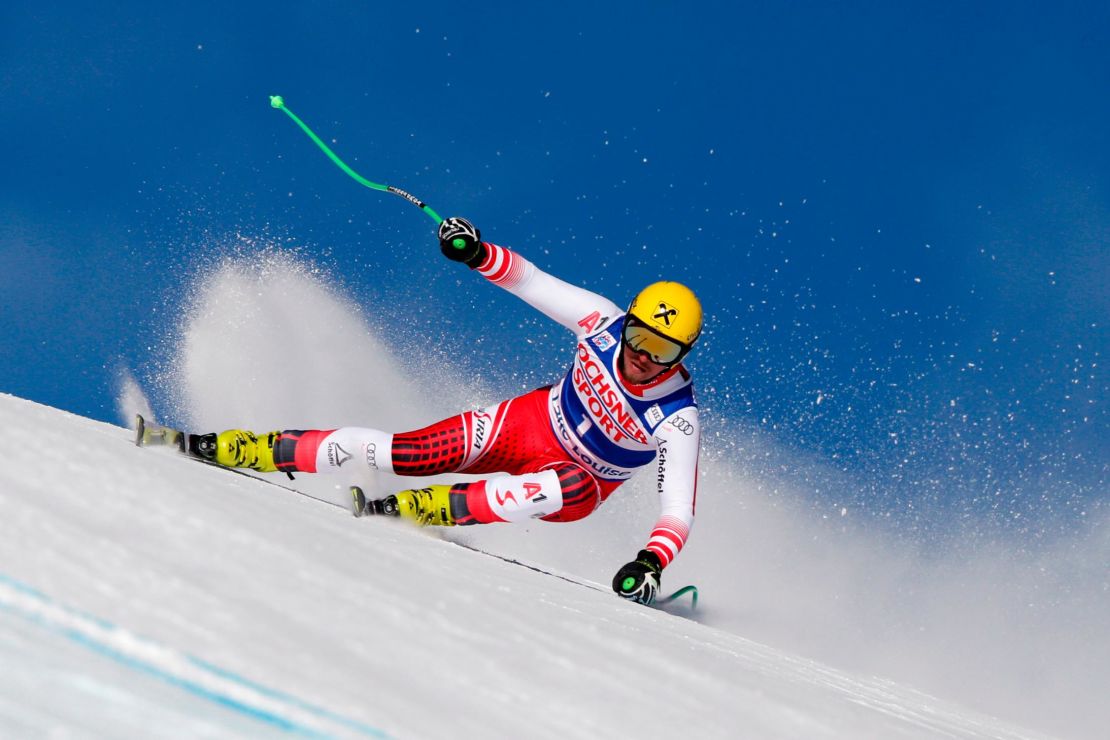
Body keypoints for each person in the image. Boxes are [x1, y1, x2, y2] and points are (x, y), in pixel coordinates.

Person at [198, 217, 702, 605]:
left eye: (661, 351)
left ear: (681, 356)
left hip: (578, 481)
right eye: (639, 337)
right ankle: (252, 449)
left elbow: (678, 509)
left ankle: (418, 509)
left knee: (560, 485)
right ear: (629, 319)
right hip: (527, 425)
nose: (641, 356)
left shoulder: (676, 415)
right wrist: (477, 252)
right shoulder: (601, 322)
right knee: (404, 453)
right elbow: (532, 281)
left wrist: (650, 562)